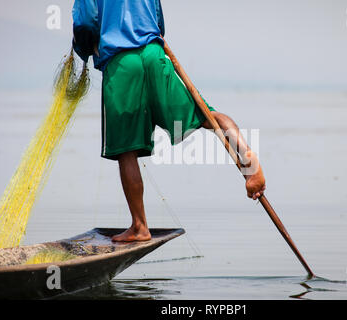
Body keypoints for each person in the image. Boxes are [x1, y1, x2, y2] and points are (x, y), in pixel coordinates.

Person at [72, 0, 266, 242]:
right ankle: (250, 165)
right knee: (207, 116)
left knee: (126, 151)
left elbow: (85, 23)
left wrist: (84, 47)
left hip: (121, 63)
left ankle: (140, 227)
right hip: (155, 54)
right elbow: (158, 19)